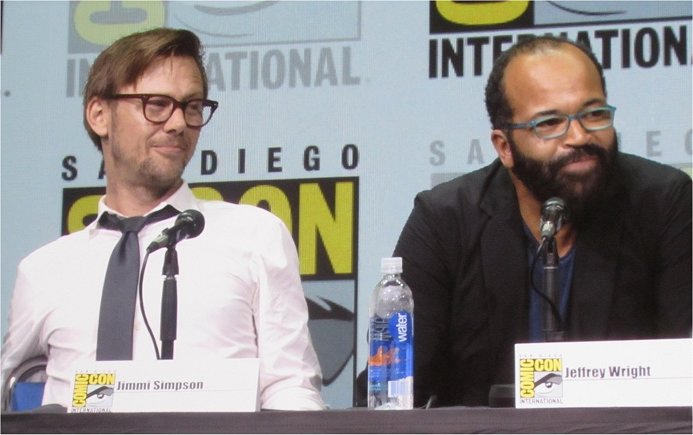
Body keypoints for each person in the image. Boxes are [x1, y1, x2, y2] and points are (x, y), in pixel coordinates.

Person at [1, 28, 324, 411]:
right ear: (99, 115)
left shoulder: (254, 236)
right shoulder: (43, 271)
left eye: (192, 107)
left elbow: (291, 388)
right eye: (156, 104)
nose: (177, 124)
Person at [393, 35, 692, 407]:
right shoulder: (445, 220)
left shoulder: (663, 203)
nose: (579, 136)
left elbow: (685, 368)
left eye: (594, 114)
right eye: (550, 123)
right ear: (504, 146)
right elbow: (393, 388)